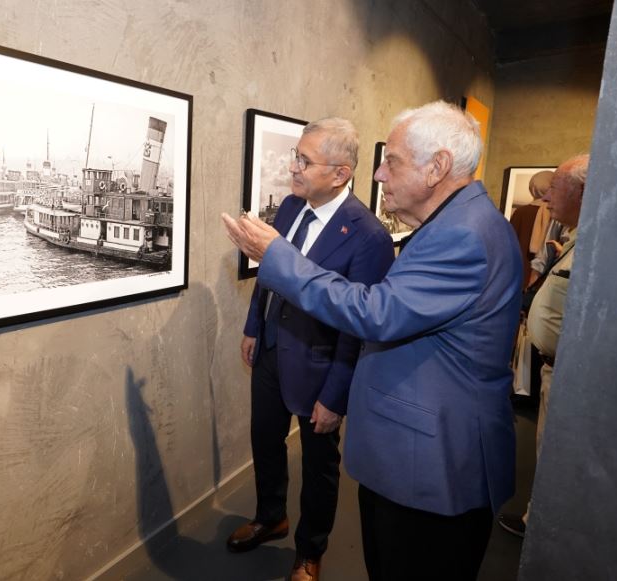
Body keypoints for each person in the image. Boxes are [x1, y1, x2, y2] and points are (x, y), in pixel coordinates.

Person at [222, 101, 522, 580]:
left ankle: (309, 551)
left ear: (438, 167)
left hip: (432, 461)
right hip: (410, 449)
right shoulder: (452, 226)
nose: (379, 172)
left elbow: (374, 312)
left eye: (393, 160)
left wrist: (276, 255)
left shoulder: (460, 235)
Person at [225, 118, 394, 581]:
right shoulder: (289, 209)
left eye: (304, 160)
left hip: (322, 366)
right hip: (272, 352)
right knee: (265, 439)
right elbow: (270, 274)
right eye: (294, 155)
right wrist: (253, 325)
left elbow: (360, 325)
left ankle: (309, 551)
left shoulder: (369, 236)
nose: (292, 167)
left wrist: (336, 395)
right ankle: (270, 516)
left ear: (340, 173)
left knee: (319, 465)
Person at [499, 154, 590, 538]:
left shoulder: (596, 244)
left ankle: (546, 534)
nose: (547, 198)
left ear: (582, 192)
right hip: (554, 368)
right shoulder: (570, 238)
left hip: (574, 377)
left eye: (555, 188)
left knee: (558, 458)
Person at [510, 171, 553, 288]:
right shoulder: (556, 213)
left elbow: (510, 244)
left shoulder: (521, 212)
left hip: (519, 272)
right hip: (545, 276)